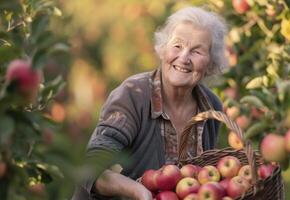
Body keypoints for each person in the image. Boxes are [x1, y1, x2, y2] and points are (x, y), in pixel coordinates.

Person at [72, 6, 228, 200]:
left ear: (211, 63)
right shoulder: (133, 94)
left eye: (196, 51)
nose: (184, 57)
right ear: (163, 49)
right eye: (177, 46)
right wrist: (139, 192)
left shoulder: (210, 106)